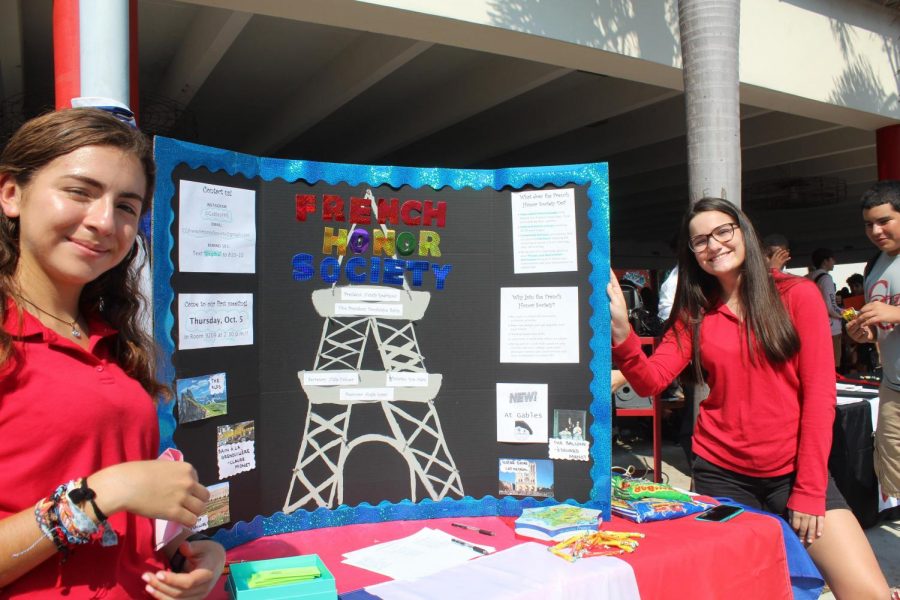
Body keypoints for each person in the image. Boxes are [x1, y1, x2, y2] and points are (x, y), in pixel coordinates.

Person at [609, 197, 890, 599]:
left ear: (744, 232)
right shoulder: (696, 310)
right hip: (721, 473)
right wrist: (623, 335)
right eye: (700, 240)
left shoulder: (797, 295)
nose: (714, 245)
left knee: (868, 592)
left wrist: (809, 490)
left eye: (723, 231)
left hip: (794, 473)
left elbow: (818, 398)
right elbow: (652, 380)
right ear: (691, 253)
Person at [0, 108, 225, 598]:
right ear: (12, 193)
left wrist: (189, 553)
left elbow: (131, 503)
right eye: (80, 192)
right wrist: (104, 493)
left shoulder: (113, 340)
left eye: (126, 206)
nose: (104, 221)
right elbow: (111, 491)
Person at [847, 181, 900, 506]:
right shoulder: (874, 265)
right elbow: (882, 328)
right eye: (869, 224)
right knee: (894, 476)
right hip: (893, 387)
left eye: (884, 221)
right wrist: (865, 333)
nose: (876, 230)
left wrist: (894, 312)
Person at [808, 247, 843, 368]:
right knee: (833, 366)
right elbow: (832, 308)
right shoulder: (826, 278)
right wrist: (851, 314)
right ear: (825, 261)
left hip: (814, 327)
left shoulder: (807, 277)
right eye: (832, 259)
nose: (834, 262)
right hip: (831, 329)